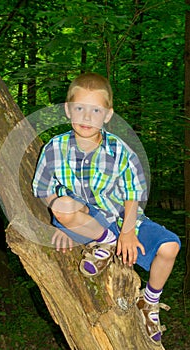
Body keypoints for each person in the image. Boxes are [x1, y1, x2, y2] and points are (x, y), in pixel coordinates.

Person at [32, 72, 181, 345]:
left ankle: (149, 302)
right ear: (67, 110)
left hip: (124, 218)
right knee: (62, 205)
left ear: (108, 115)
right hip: (89, 219)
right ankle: (105, 242)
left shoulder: (120, 151)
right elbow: (42, 190)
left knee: (170, 247)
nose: (87, 118)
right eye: (80, 109)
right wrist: (64, 224)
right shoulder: (55, 148)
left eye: (95, 110)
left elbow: (133, 196)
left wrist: (127, 232)